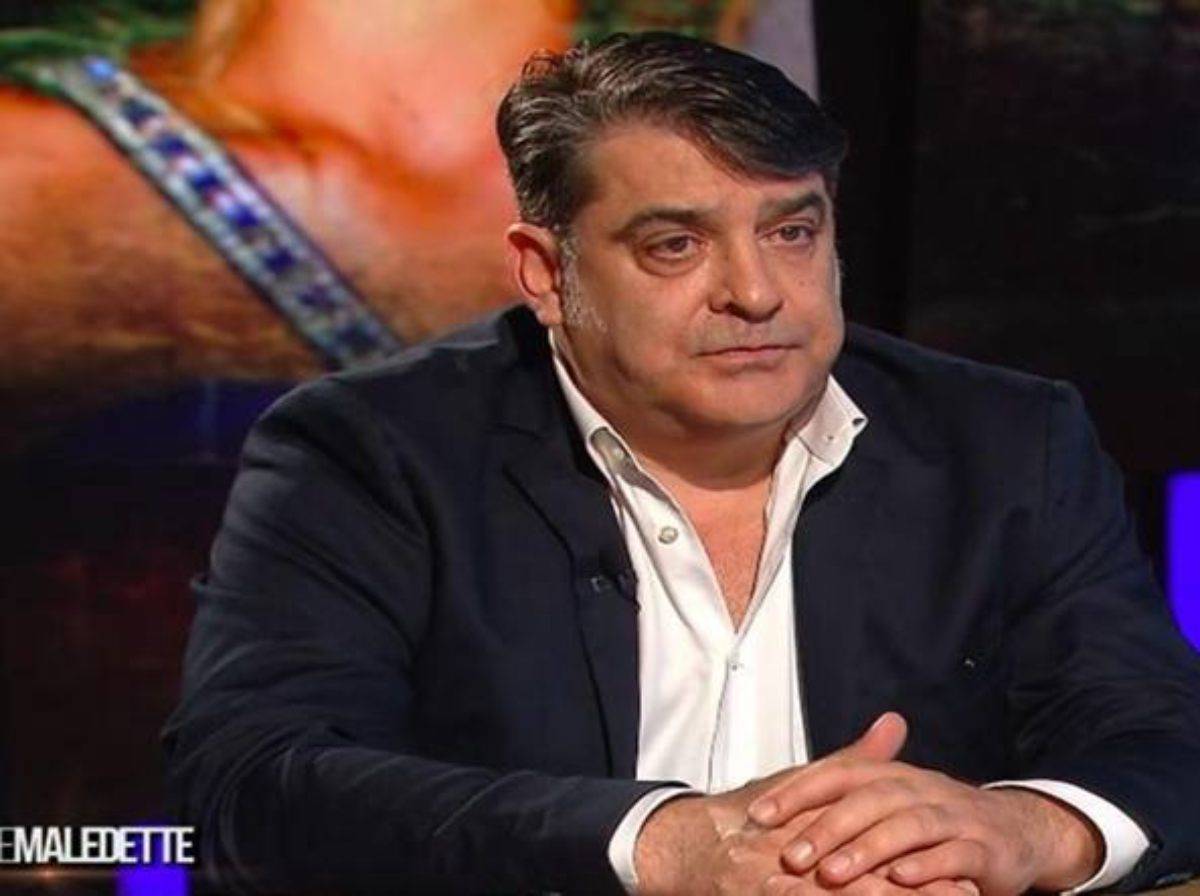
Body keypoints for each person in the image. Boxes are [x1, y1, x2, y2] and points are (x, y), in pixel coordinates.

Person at [163, 31, 1200, 896]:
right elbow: (251, 782)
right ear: (547, 272)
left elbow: (1164, 737)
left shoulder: (1004, 441)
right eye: (675, 245)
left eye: (792, 231)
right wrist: (662, 844)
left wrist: (1022, 828)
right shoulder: (374, 453)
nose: (756, 291)